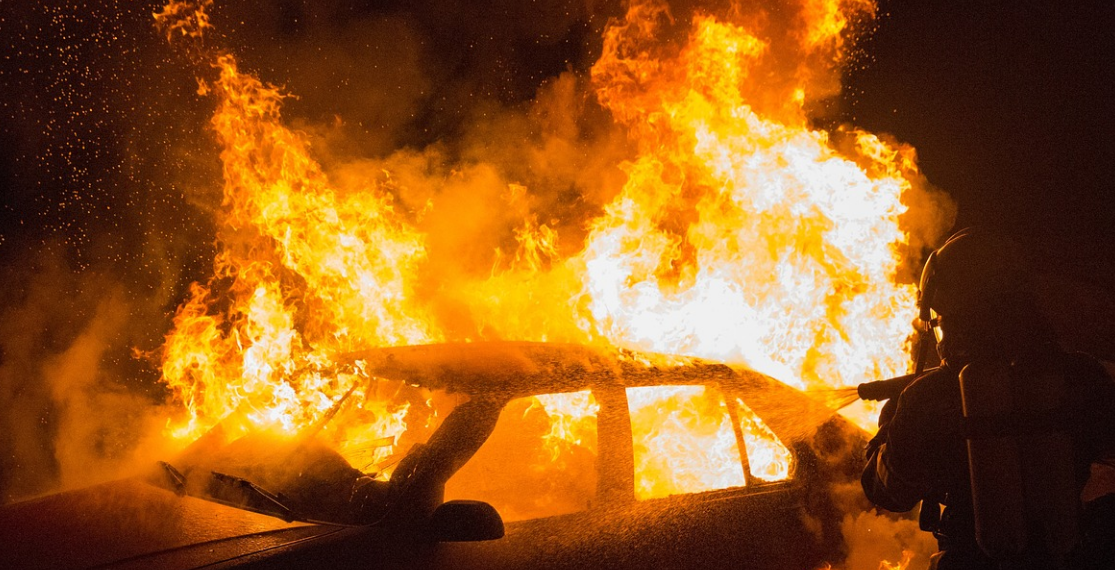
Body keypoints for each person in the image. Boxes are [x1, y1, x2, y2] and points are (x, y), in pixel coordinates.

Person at [862, 228, 1115, 569]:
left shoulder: (927, 398)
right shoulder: (1081, 376)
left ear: (947, 310)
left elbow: (889, 491)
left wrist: (887, 425)